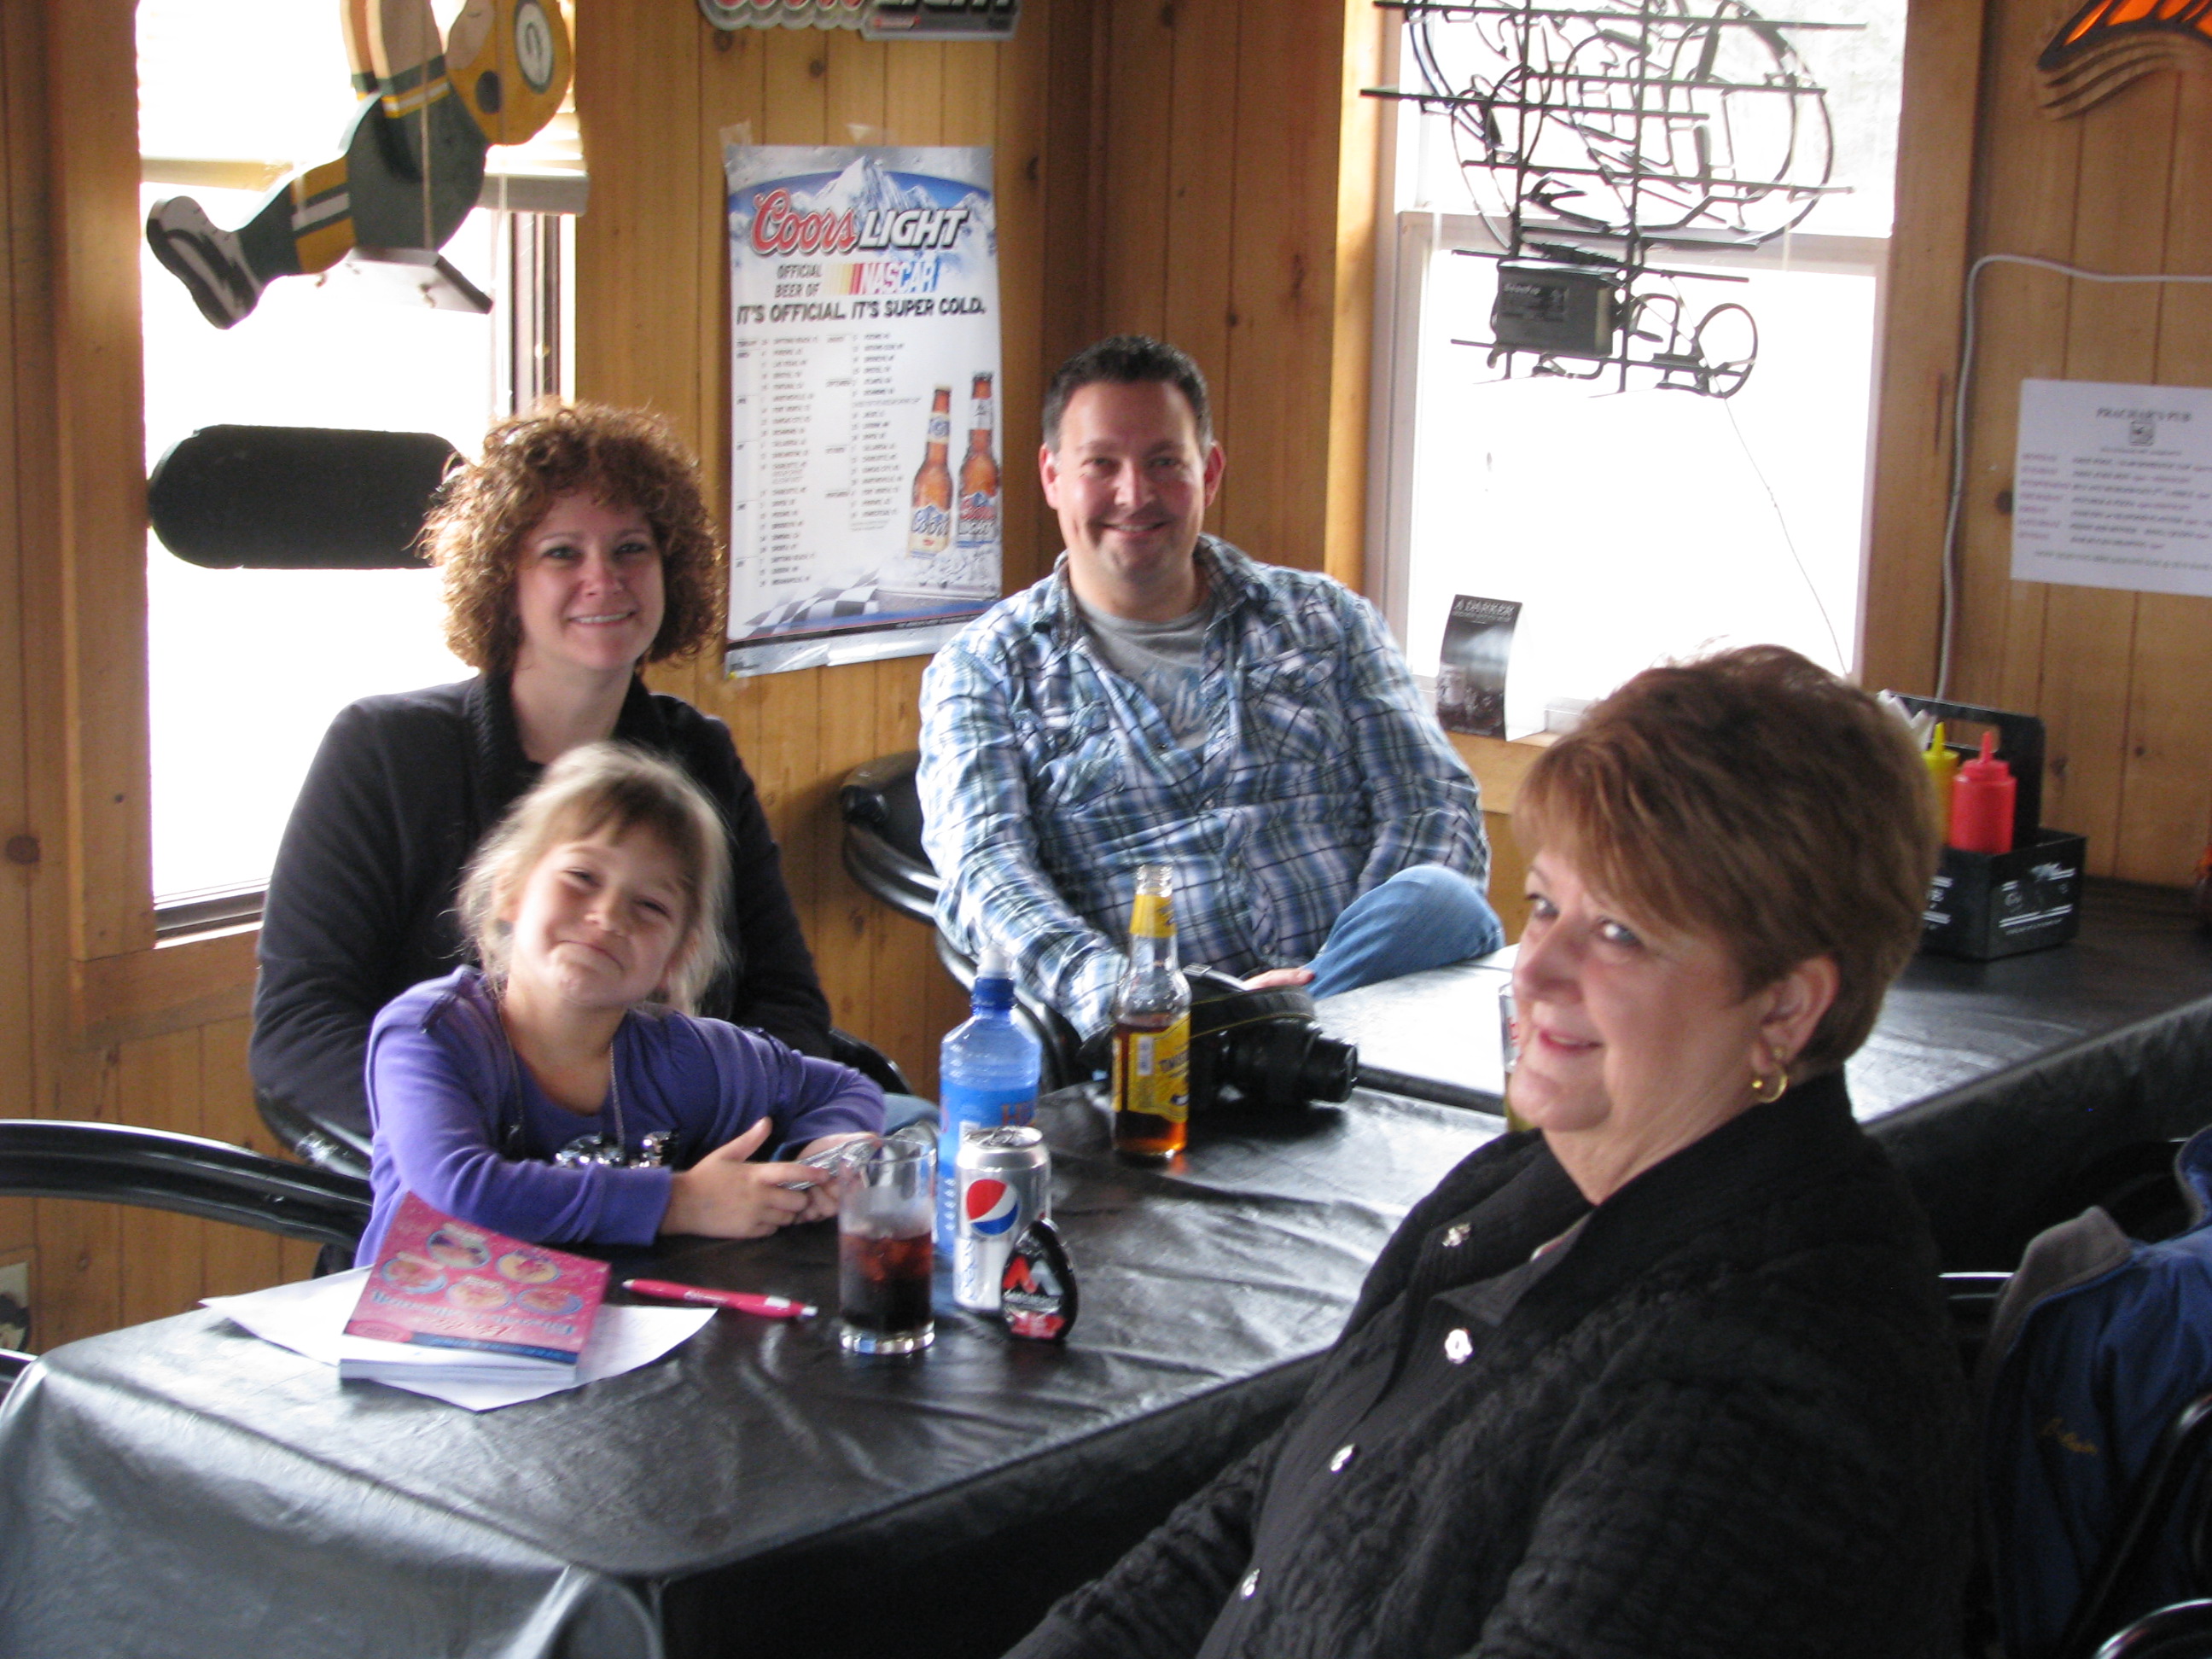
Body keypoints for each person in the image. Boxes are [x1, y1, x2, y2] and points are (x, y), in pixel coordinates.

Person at [1003, 645, 1976, 1659]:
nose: (1537, 965)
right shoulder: (1516, 1196)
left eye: (1622, 934)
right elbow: (1259, 1522)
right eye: (1548, 904)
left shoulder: (1764, 1393)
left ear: (1785, 1007)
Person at [253, 401, 835, 1155]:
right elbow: (300, 1035)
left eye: (632, 549)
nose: (604, 579)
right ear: (505, 580)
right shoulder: (382, 751)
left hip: (688, 1185)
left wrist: (721, 1141)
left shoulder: (699, 757)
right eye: (562, 553)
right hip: (460, 1210)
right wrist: (492, 1147)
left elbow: (784, 1001)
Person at [918, 335, 1500, 1042]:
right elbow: (988, 876)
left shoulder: (1328, 620)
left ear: (1210, 472)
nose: (1134, 494)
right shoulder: (983, 668)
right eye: (1101, 464)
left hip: (1370, 1019)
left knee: (1442, 902)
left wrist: (1325, 987)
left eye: (1165, 462)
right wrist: (1138, 996)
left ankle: (1281, 1030)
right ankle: (1245, 1035)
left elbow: (1432, 807)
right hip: (1160, 1045)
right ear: (1051, 476)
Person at [355, 742, 882, 1266]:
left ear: (677, 955)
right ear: (510, 890)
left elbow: (841, 1085)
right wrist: (682, 1202)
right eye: (581, 877)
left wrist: (826, 1150)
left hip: (624, 1340)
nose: (607, 916)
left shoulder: (683, 1057)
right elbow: (464, 1190)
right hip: (421, 1337)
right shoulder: (432, 1033)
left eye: (650, 906)